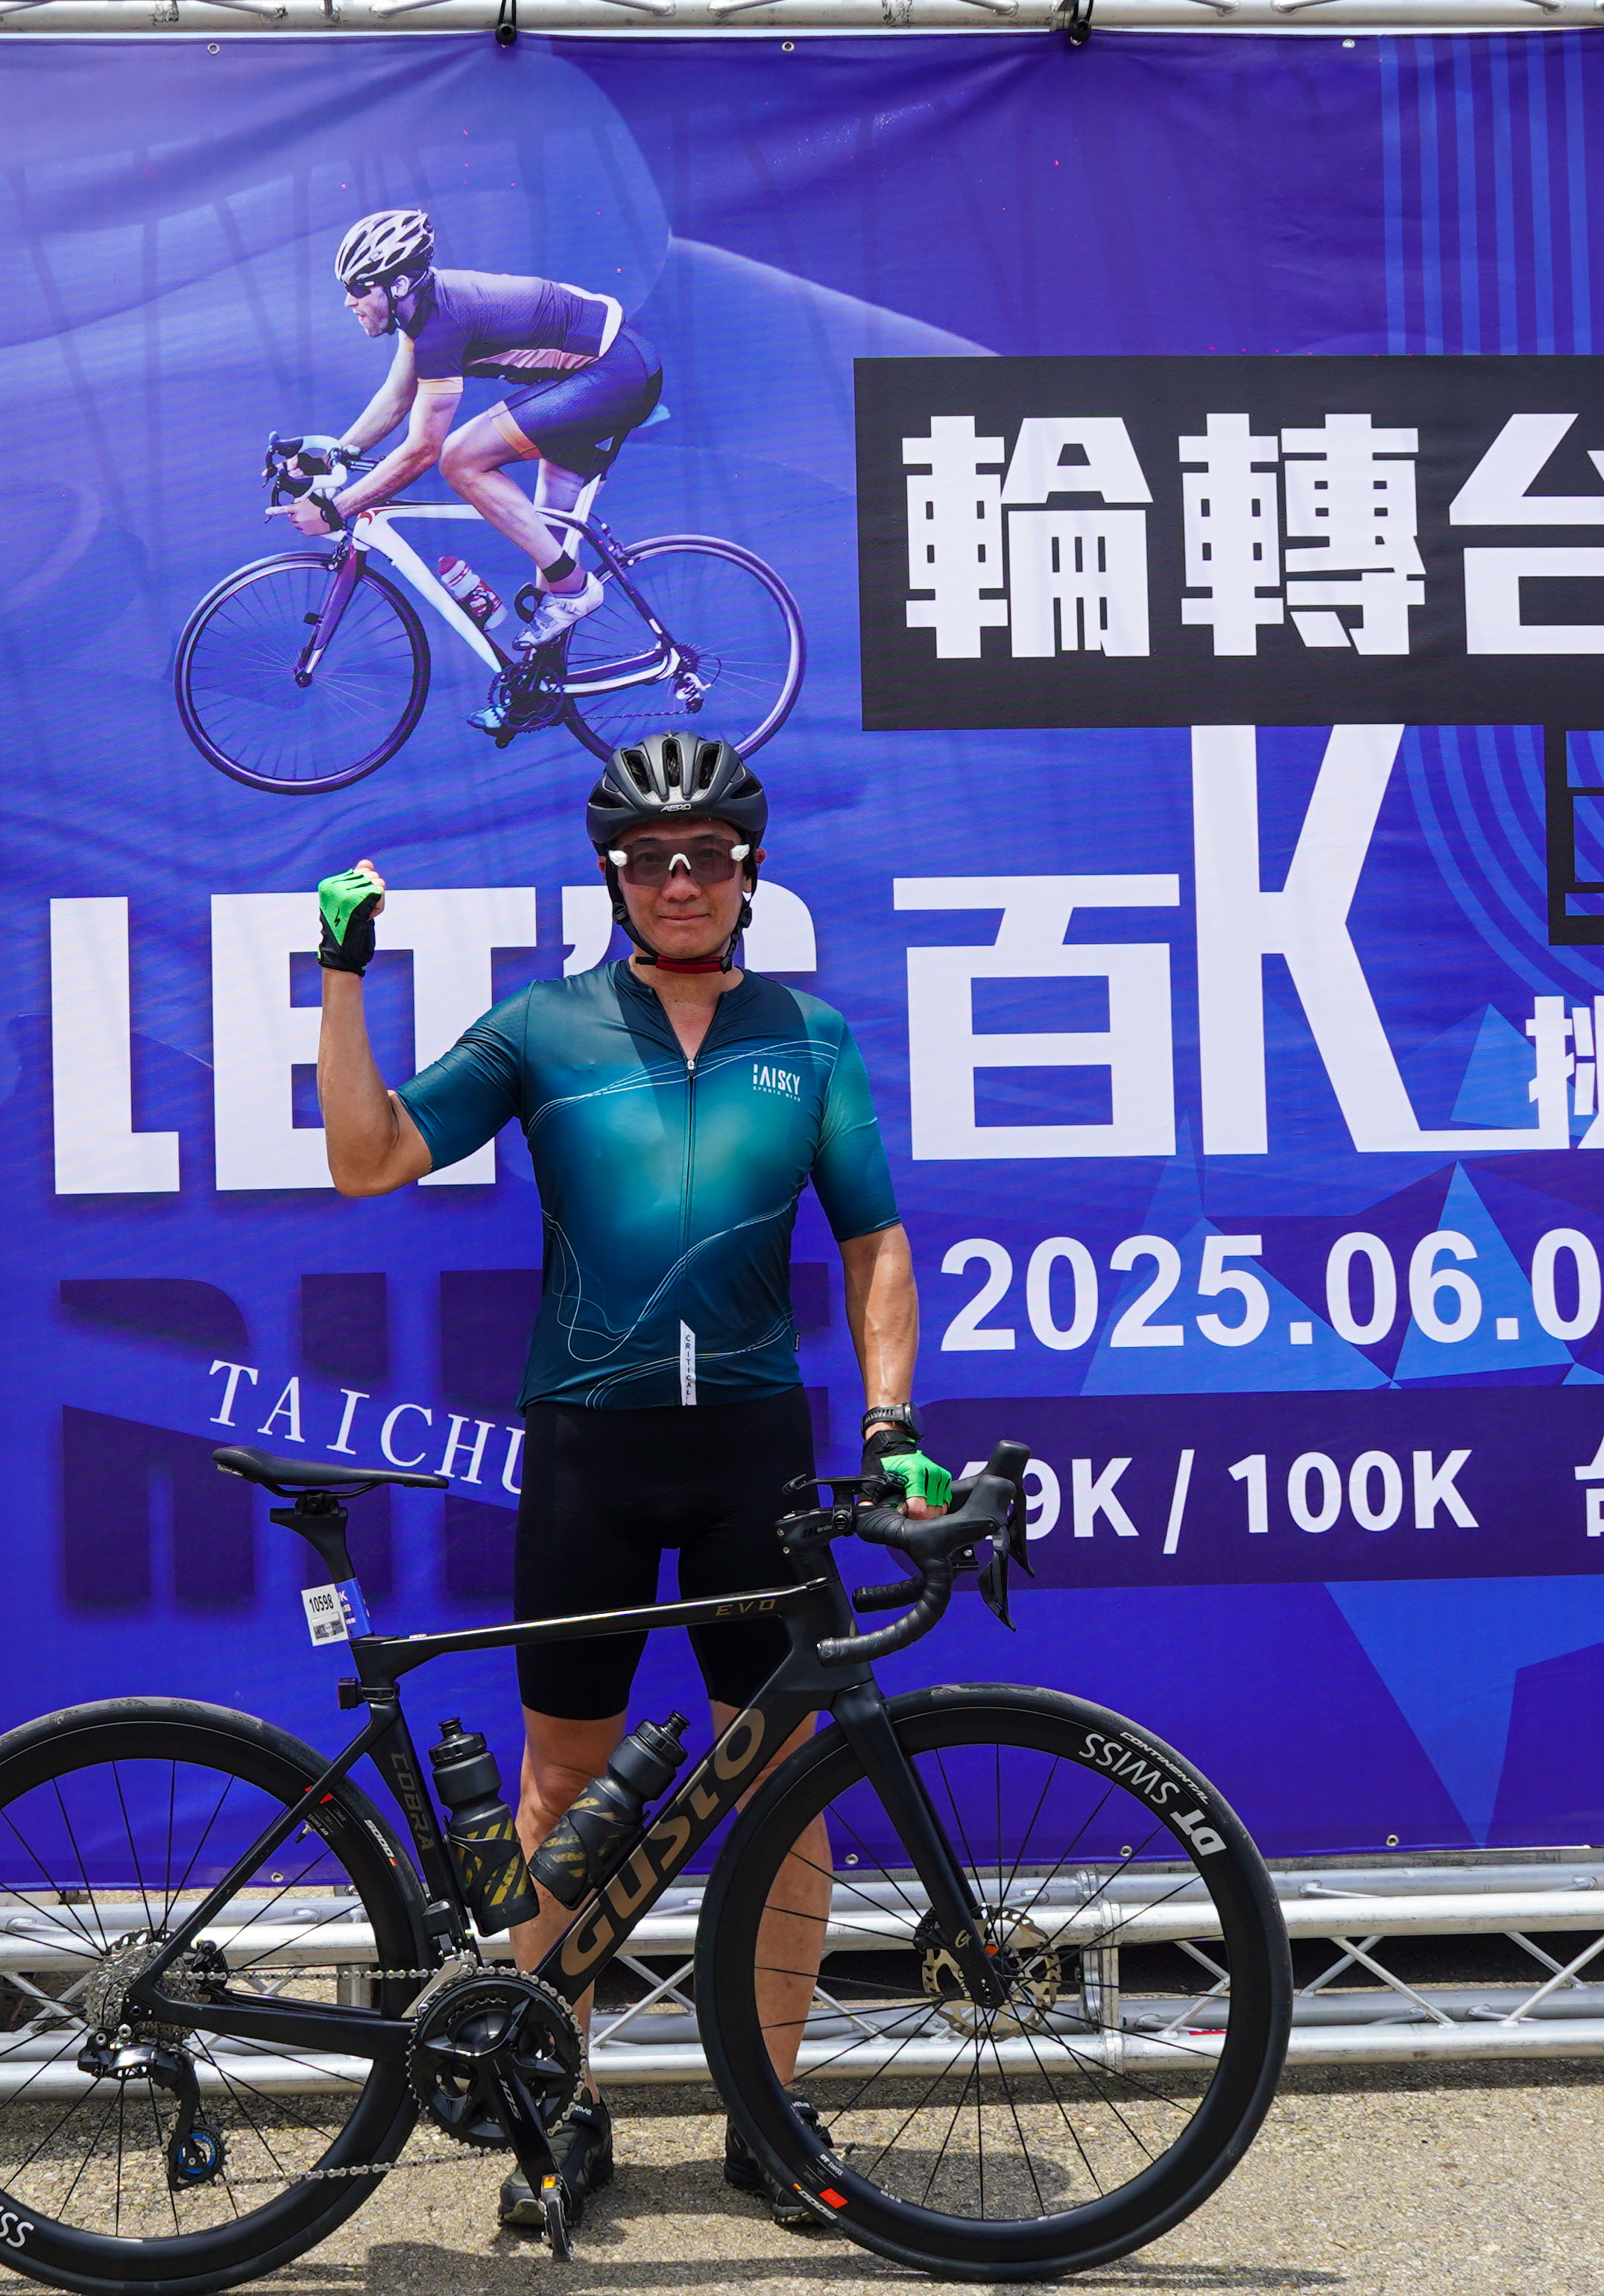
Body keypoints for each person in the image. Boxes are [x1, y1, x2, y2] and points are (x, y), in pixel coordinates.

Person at [310, 730, 925, 2235]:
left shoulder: (811, 1037)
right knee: (563, 1788)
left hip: (753, 1456)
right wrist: (340, 977)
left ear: (748, 872)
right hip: (591, 1447)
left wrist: (891, 1421)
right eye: (652, 858)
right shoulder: (546, 1026)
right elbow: (369, 1159)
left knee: (780, 1781)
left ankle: (769, 2114)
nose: (680, 880)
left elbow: (874, 1244)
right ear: (614, 875)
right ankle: (557, 2105)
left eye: (708, 855)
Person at [286, 207, 666, 732]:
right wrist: (333, 456)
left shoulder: (441, 325)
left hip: (613, 374)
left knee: (461, 458)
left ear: (398, 285)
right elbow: (395, 399)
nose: (349, 301)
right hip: (605, 369)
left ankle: (575, 588)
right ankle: (536, 693)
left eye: (358, 287)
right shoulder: (421, 314)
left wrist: (340, 508)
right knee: (545, 552)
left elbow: (422, 451)